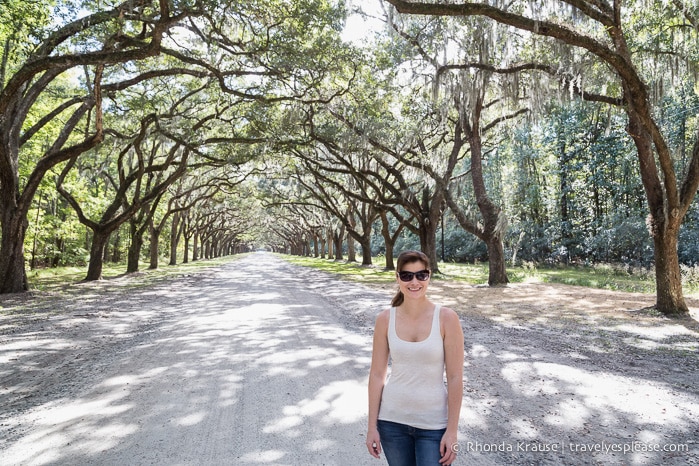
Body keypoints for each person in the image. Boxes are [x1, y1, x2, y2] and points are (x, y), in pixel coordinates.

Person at [366, 250, 464, 466]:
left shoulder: (447, 318)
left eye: (421, 275)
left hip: (434, 425)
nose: (414, 282)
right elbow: (376, 375)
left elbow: (456, 377)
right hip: (391, 422)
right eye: (407, 275)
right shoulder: (385, 319)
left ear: (429, 276)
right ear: (397, 277)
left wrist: (452, 431)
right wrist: (372, 426)